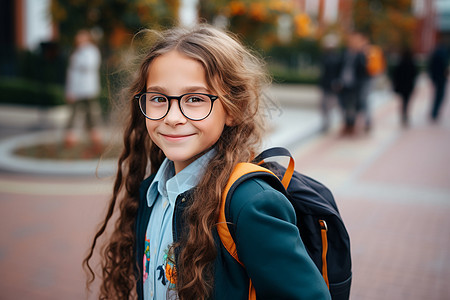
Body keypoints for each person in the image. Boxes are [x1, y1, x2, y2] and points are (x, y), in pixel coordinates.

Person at [83, 25, 331, 300]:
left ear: (232, 110)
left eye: (195, 99)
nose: (172, 117)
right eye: (158, 98)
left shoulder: (249, 205)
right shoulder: (151, 194)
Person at [64, 29, 102, 150]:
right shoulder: (77, 52)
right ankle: (71, 136)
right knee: (75, 113)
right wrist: (70, 90)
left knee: (91, 112)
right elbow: (72, 74)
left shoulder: (90, 51)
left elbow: (89, 66)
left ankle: (94, 136)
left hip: (88, 88)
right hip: (76, 89)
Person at [336, 32, 369, 134]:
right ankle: (347, 124)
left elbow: (364, 72)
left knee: (353, 106)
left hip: (355, 85)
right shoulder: (345, 53)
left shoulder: (361, 55)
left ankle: (351, 125)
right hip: (343, 84)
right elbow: (338, 67)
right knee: (344, 105)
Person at [319, 33, 341, 132]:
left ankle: (329, 123)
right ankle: (326, 123)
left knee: (329, 105)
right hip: (325, 85)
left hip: (332, 85)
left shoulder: (335, 57)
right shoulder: (325, 56)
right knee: (324, 106)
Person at [392, 47, 418, 127]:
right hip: (409, 86)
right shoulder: (412, 64)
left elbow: (395, 75)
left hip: (402, 86)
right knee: (406, 101)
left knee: (403, 101)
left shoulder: (400, 63)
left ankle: (403, 114)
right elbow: (414, 75)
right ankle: (405, 115)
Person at [427, 39, 449, 122]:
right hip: (441, 78)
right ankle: (435, 112)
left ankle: (434, 112)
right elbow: (444, 67)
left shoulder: (435, 54)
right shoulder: (443, 55)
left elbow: (431, 67)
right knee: (440, 95)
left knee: (437, 95)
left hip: (437, 78)